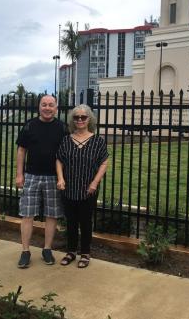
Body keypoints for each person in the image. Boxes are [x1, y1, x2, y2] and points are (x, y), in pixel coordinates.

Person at [15, 95, 67, 268]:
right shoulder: (30, 125)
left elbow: (66, 154)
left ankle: (47, 249)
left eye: (51, 105)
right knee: (27, 214)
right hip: (31, 176)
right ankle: (25, 251)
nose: (47, 108)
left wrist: (63, 177)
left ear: (56, 108)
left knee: (52, 214)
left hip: (53, 177)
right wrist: (19, 174)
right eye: (44, 104)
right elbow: (21, 151)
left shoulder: (61, 127)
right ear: (39, 107)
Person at [56, 104, 108, 268]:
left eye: (83, 117)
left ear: (89, 119)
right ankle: (71, 251)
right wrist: (60, 178)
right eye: (76, 117)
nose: (79, 120)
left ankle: (85, 253)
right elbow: (59, 160)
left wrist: (95, 182)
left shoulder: (98, 141)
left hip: (88, 189)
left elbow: (104, 162)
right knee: (71, 222)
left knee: (85, 222)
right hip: (69, 188)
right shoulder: (66, 140)